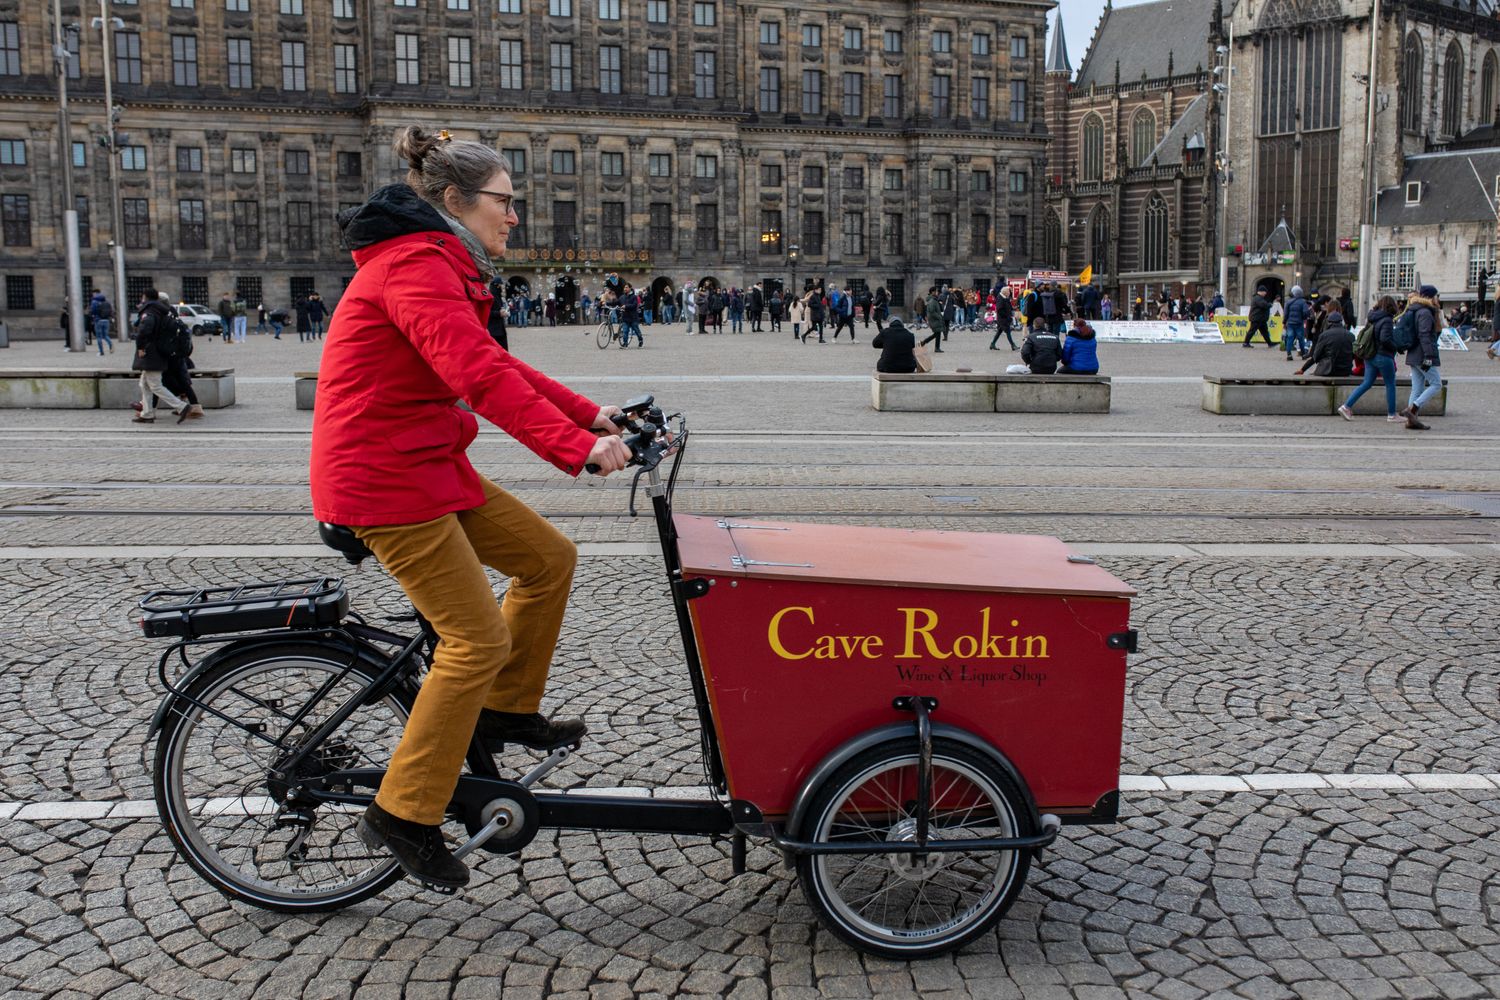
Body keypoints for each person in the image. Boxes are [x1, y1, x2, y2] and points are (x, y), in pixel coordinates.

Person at [314, 126, 632, 891]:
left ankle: (502, 711)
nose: (515, 215)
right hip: (384, 481)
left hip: (425, 465)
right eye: (505, 201)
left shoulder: (444, 260)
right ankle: (402, 813)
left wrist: (590, 415)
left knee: (547, 559)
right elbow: (474, 373)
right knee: (473, 638)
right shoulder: (414, 264)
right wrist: (571, 448)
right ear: (455, 201)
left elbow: (494, 362)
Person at [131, 287, 192, 424]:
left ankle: (181, 406)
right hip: (158, 351)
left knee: (155, 385)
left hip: (151, 352)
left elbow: (145, 330)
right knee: (144, 384)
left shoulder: (150, 312)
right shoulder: (162, 311)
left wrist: (140, 347)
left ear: (145, 297)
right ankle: (147, 413)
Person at [1338, 296, 1402, 422]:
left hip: (1370, 355)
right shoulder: (1387, 320)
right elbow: (1385, 339)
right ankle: (1392, 414)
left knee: (1367, 383)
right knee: (1390, 385)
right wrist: (1396, 347)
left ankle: (1346, 406)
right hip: (1383, 355)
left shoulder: (1372, 318)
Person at [1402, 285, 1443, 430]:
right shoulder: (1425, 312)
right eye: (1436, 296)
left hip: (1414, 353)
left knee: (1417, 387)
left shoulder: (1416, 309)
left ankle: (1411, 421)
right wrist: (1429, 356)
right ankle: (1413, 409)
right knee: (1436, 383)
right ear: (1431, 297)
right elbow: (1424, 335)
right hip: (1422, 354)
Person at [1295, 304, 1353, 376]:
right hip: (1345, 371)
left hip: (1328, 370)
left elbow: (1315, 356)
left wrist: (1303, 369)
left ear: (1329, 322)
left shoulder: (1324, 335)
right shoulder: (1351, 336)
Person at [1284, 285, 1312, 360]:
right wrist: (1303, 318)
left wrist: (1284, 322)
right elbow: (1305, 312)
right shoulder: (1303, 302)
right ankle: (1303, 354)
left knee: (1290, 338)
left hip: (1290, 323)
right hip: (1299, 323)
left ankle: (1289, 354)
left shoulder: (1288, 302)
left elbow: (1286, 313)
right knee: (1301, 339)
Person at [88, 289, 114, 355]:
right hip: (106, 320)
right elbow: (111, 311)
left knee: (99, 337)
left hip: (98, 320)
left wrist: (91, 315)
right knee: (105, 335)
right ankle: (111, 344)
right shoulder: (107, 302)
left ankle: (101, 351)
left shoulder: (94, 302)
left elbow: (93, 311)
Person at [487, 276, 509, 351]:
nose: (501, 288)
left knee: (503, 352)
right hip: (493, 330)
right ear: (497, 285)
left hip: (500, 329)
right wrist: (498, 313)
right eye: (500, 285)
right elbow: (486, 312)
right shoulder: (490, 296)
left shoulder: (498, 296)